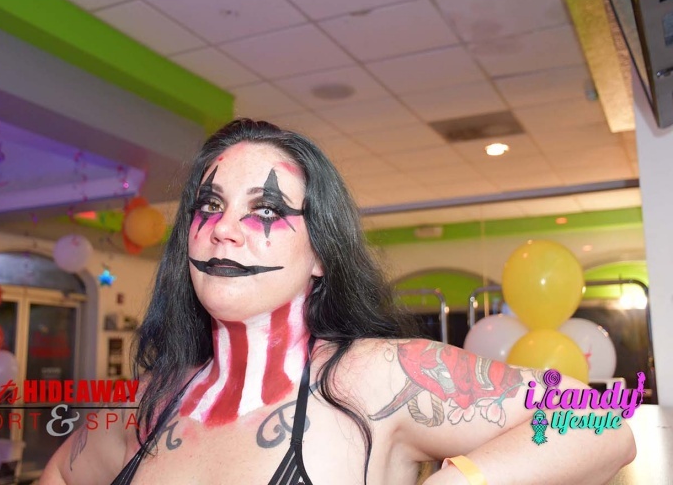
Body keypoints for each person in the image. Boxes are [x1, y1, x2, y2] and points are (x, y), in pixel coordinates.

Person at [41, 119, 636, 484]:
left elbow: (596, 418)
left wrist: (459, 481)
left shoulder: (374, 377)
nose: (223, 230)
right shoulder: (150, 400)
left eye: (266, 210)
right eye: (209, 205)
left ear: (321, 253)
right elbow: (63, 473)